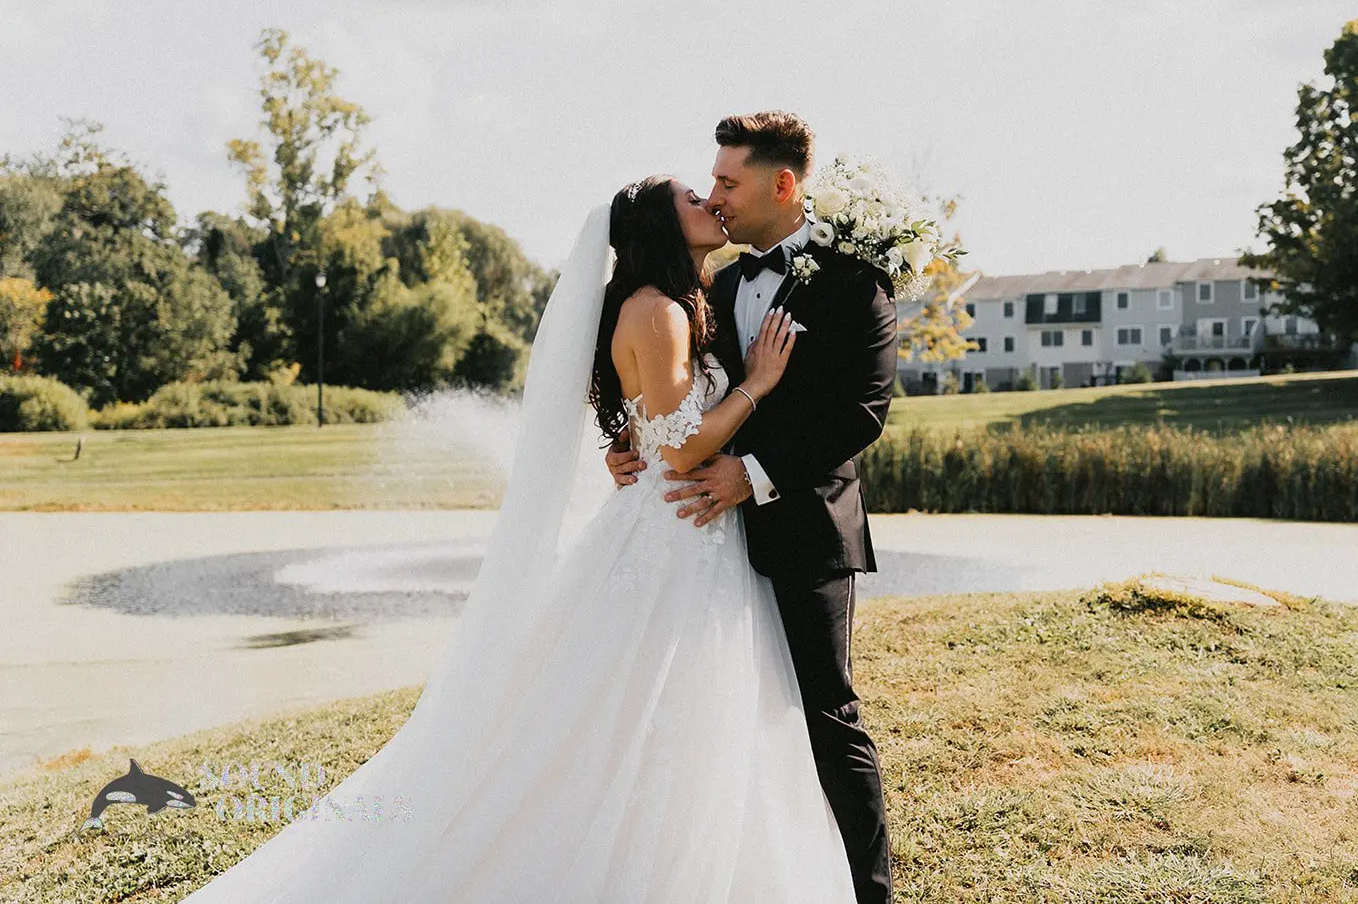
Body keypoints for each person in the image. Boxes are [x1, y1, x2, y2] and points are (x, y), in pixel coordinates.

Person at [181, 174, 856, 901]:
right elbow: (685, 446)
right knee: (649, 712)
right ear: (663, 227)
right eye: (692, 198)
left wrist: (637, 440)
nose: (710, 201)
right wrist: (757, 382)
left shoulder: (681, 301)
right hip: (676, 535)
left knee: (674, 716)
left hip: (692, 530)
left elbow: (656, 423)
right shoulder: (657, 310)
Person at [608, 112, 898, 904]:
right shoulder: (716, 285)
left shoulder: (855, 283)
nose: (716, 195)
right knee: (709, 718)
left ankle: (868, 894)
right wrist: (625, 442)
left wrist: (755, 474)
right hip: (704, 542)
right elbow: (658, 386)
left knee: (825, 715)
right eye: (711, 182)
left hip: (805, 529)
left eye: (728, 181)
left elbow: (860, 413)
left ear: (783, 183)